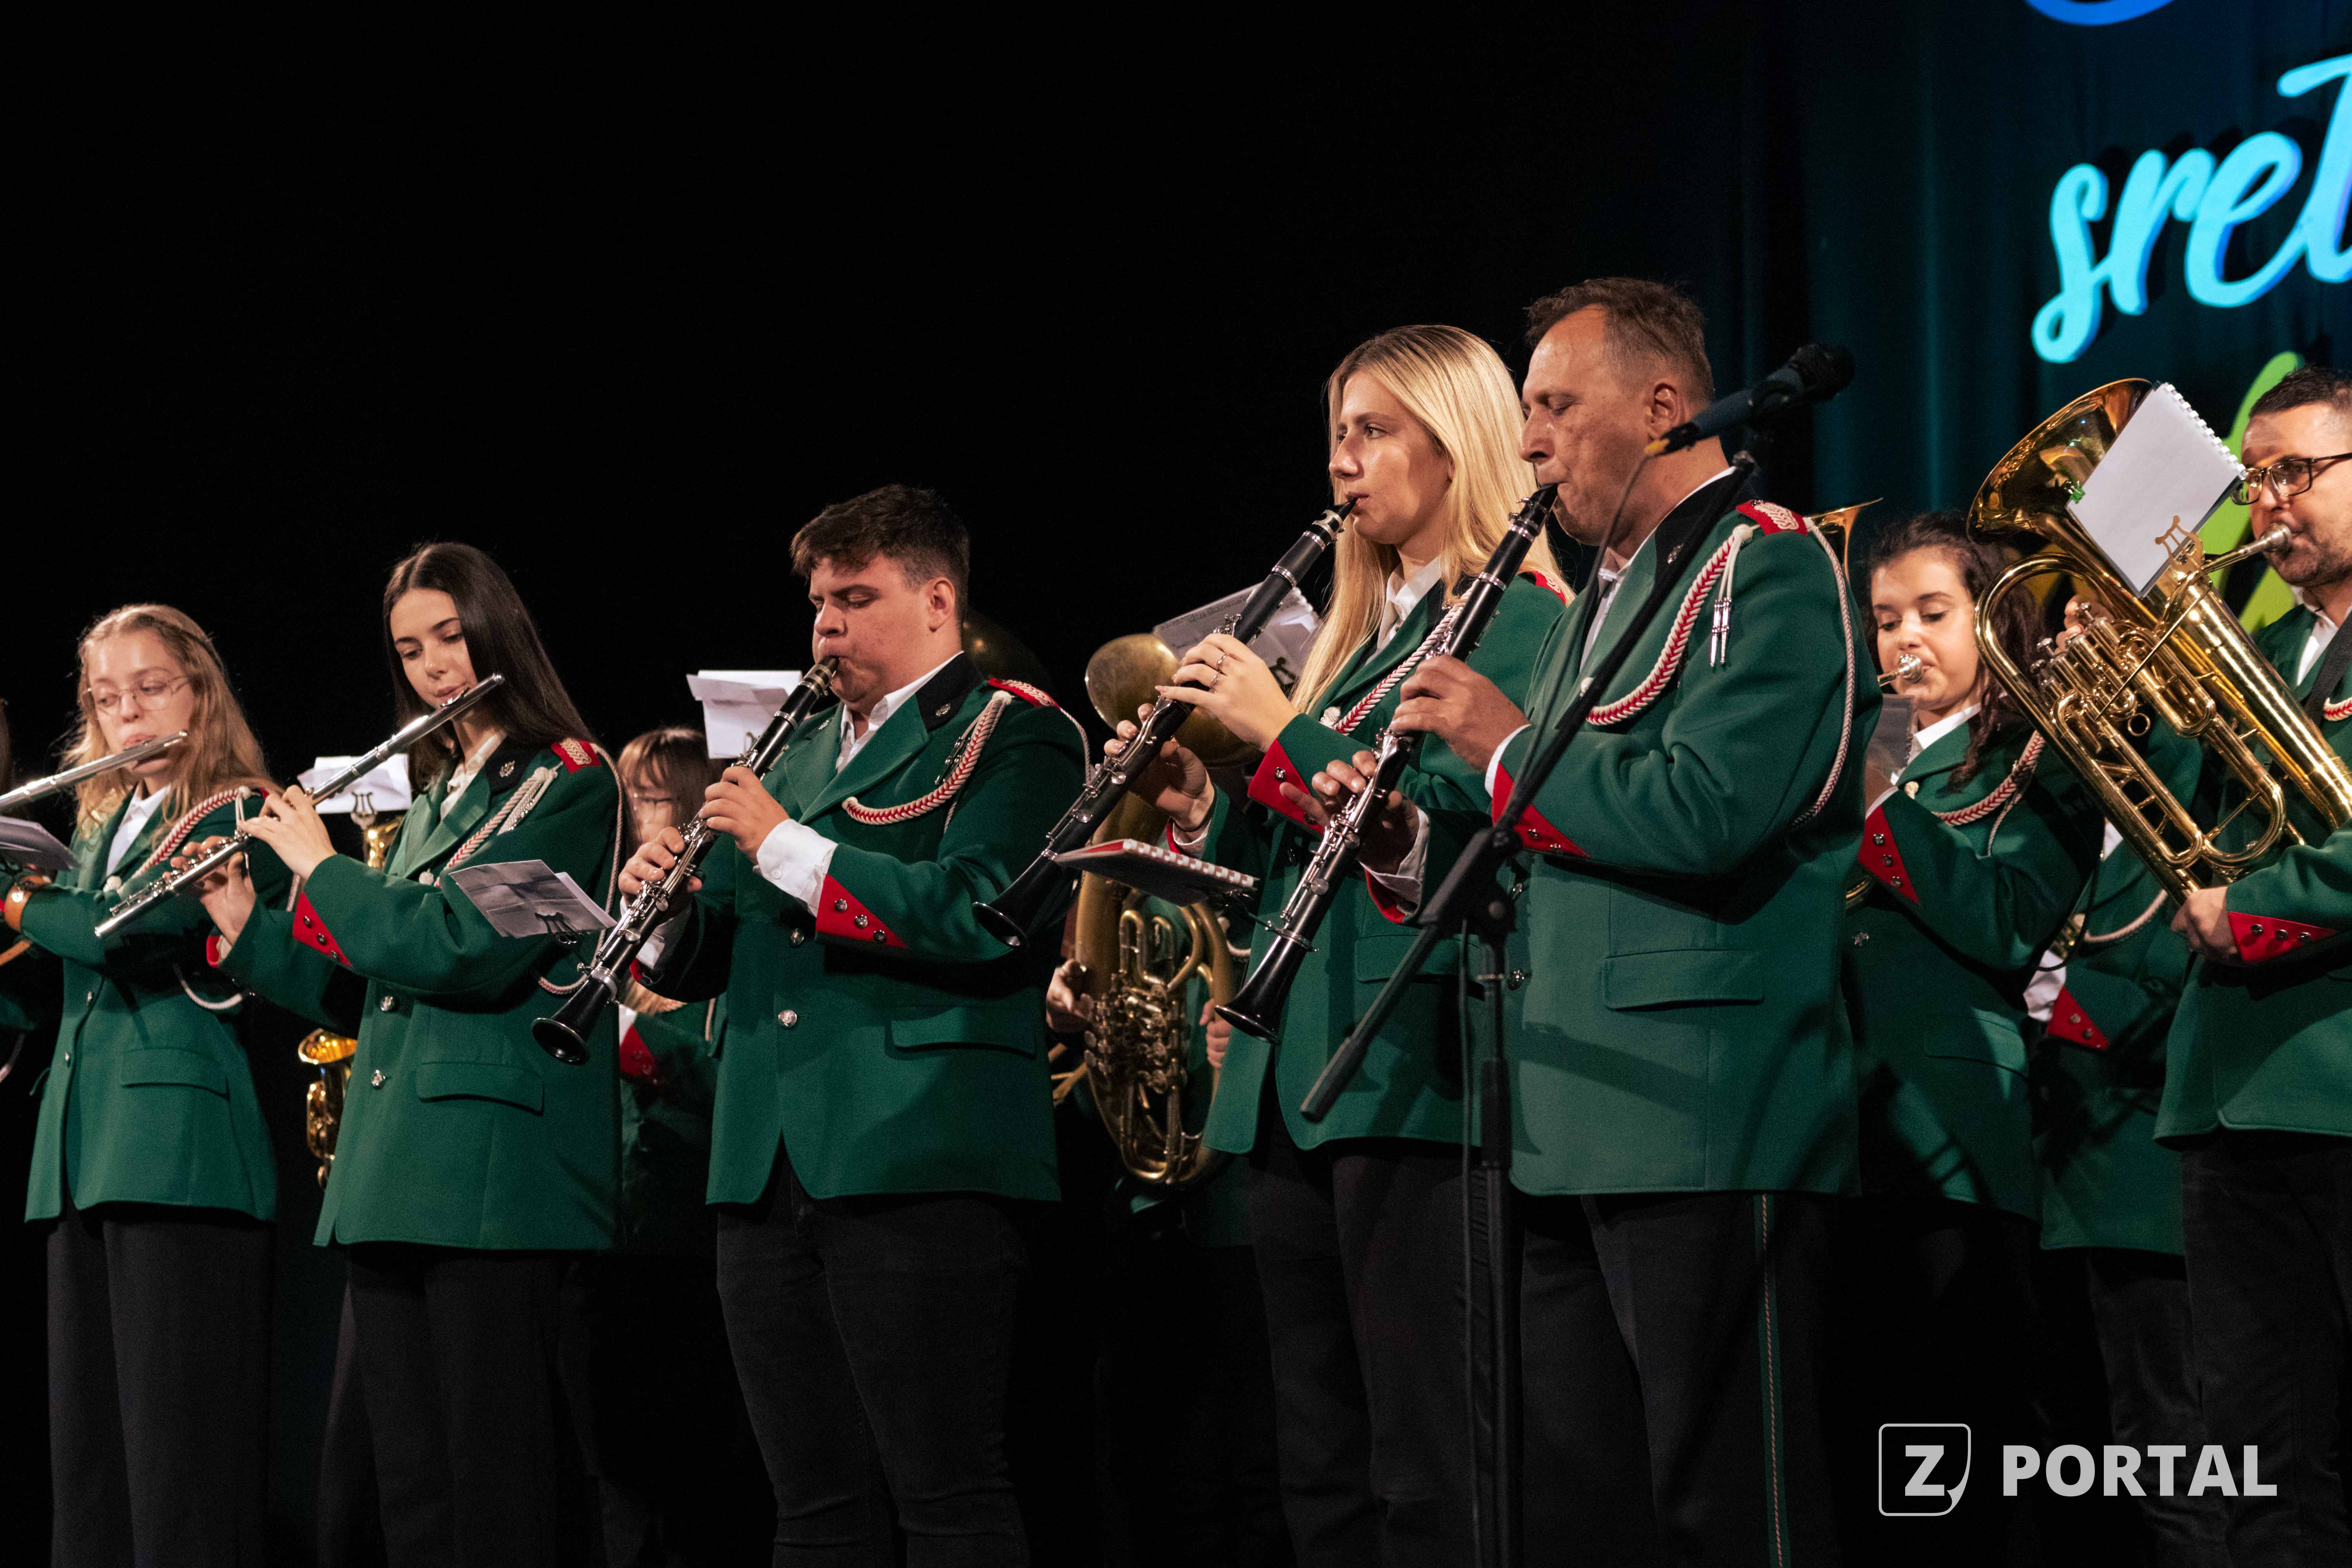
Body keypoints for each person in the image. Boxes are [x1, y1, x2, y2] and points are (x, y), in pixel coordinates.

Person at [1384, 278, 1870, 1565]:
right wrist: (1395, 827)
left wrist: (1500, 744)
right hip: (1563, 1115)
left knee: (1733, 1513)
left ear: (1663, 408)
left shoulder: (1771, 563)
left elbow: (1709, 812)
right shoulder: (1606, 595)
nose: (1529, 441)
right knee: (1583, 1514)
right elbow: (1541, 838)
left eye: (1555, 406)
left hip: (1704, 1111)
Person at [1116, 323, 1565, 1564]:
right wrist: (1197, 807)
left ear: (1454, 445)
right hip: (1295, 1079)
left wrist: (1283, 733)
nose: (1342, 463)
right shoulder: (1356, 642)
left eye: (1373, 432)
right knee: (1318, 1465)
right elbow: (1303, 862)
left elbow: (1452, 849)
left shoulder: (1522, 623)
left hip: (1411, 1071)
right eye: (1337, 435)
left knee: (1426, 1459)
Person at [624, 484, 1085, 1566]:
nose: (826, 627)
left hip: (919, 1145)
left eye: (855, 599)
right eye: (819, 604)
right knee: (811, 1508)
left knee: (947, 1493)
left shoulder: (1017, 730)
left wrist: (783, 844)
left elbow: (985, 912)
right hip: (764, 1157)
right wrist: (667, 913)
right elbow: (723, 954)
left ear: (938, 601)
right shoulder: (792, 751)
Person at [192, 542, 623, 1568]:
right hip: (393, 1176)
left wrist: (320, 867)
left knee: (496, 1489)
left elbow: (463, 950)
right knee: (413, 1492)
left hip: (492, 1178)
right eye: (410, 649)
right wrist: (250, 924)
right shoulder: (436, 796)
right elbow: (372, 992)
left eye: (450, 637)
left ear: (497, 631)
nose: (434, 667)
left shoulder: (570, 782)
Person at [1837, 511, 2104, 1560]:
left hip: (1958, 1141)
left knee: (1968, 1430)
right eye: (1885, 619)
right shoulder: (1860, 752)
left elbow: (2005, 922)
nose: (1905, 640)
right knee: (1873, 1444)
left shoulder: (2042, 757)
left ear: (1994, 618)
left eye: (1933, 612)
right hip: (1840, 1135)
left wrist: (1879, 808)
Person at [4, 604, 288, 1568]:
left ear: (200, 692)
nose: (127, 714)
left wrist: (11, 892)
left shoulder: (240, 807)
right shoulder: (100, 824)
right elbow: (55, 975)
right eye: (105, 697)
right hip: (82, 1154)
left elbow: (116, 934)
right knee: (93, 1470)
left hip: (180, 1157)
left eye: (150, 688)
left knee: (181, 1471)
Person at [2155, 365, 2352, 1563]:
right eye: (2255, 477)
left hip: (2336, 1080)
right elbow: (2179, 834)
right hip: (2233, 1095)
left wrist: (2258, 912)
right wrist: (2123, 677)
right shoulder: (2254, 648)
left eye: (2299, 471)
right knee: (2261, 1466)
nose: (2269, 501)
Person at [569, 724, 765, 1565]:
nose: (633, 813)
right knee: (609, 1467)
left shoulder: (718, 918)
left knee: (691, 1470)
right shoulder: (614, 913)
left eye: (650, 797)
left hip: (686, 1227)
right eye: (629, 796)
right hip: (605, 1221)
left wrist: (627, 1041)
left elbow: (726, 1073)